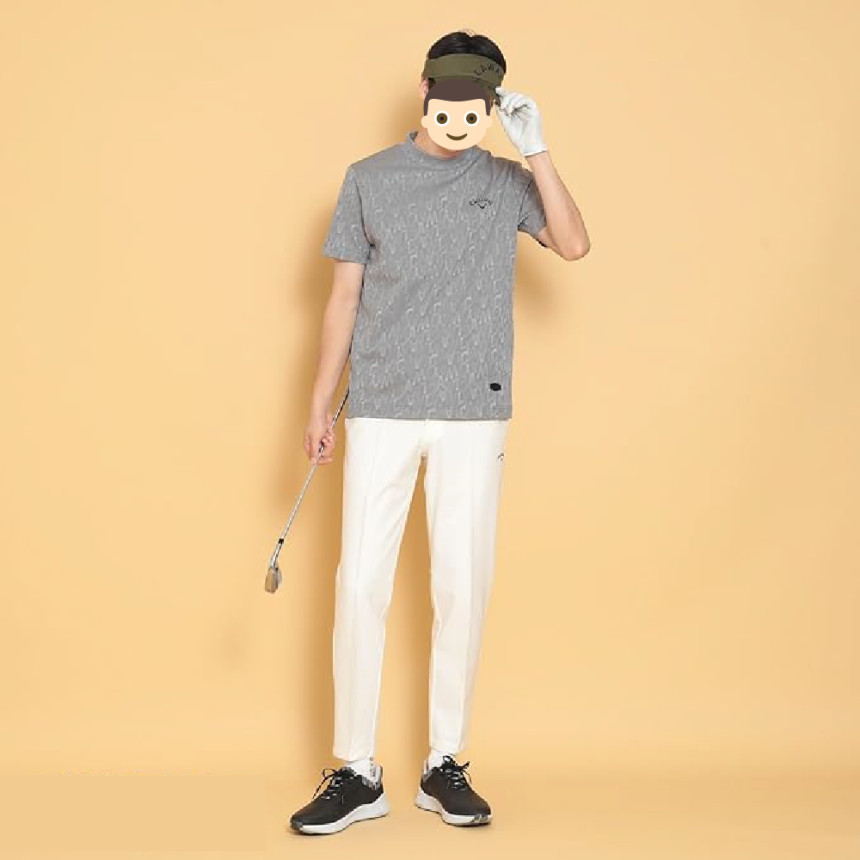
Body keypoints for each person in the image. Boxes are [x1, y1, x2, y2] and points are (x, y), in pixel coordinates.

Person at [289, 29, 590, 836]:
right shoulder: (368, 179)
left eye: (478, 102)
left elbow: (572, 244)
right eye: (450, 96)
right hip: (382, 404)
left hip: (473, 410)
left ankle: (443, 763)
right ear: (425, 91)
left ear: (493, 104)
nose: (460, 112)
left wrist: (537, 147)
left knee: (462, 584)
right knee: (360, 584)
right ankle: (356, 770)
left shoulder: (506, 178)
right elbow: (343, 298)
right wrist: (319, 404)